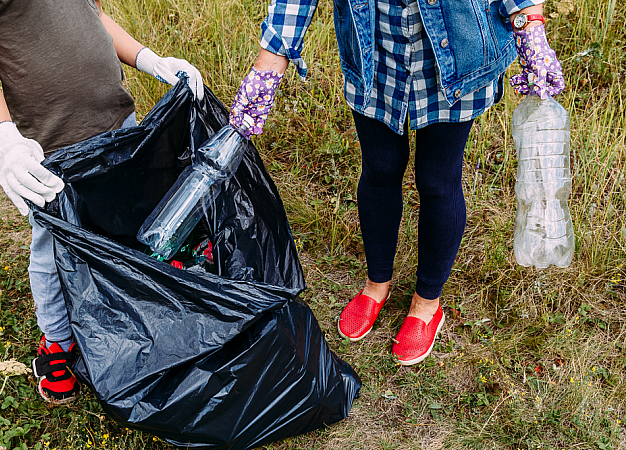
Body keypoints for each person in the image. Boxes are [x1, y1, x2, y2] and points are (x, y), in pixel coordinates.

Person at [229, 0, 564, 365]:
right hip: (375, 45)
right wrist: (270, 62)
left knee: (438, 181)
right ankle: (377, 284)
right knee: (379, 168)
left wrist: (529, 23)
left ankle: (426, 303)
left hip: (455, 48)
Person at [0, 0, 204, 404]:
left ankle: (132, 306)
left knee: (128, 220)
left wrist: (149, 59)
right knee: (54, 247)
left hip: (118, 123)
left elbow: (96, 17)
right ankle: (58, 341)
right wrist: (6, 141)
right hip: (49, 147)